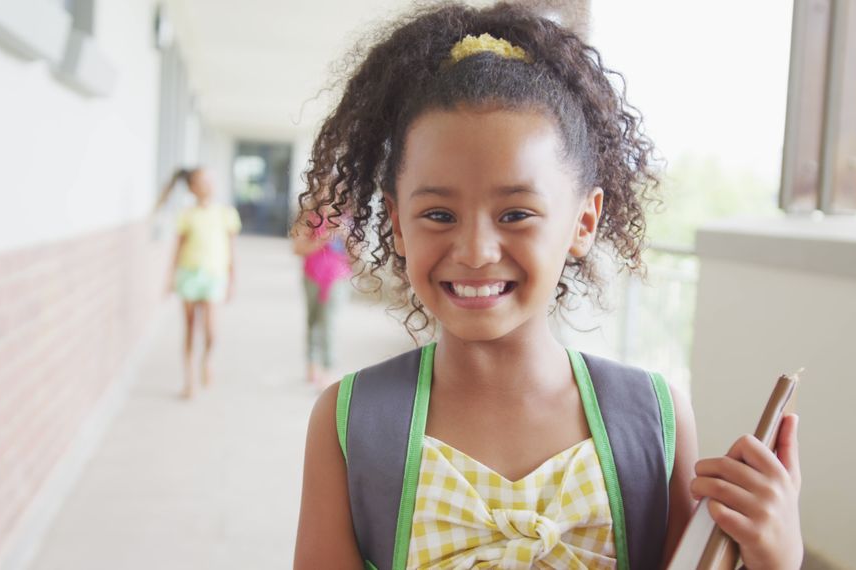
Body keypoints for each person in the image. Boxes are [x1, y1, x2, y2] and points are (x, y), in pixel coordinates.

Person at [293, 4, 803, 569]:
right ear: (397, 223)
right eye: (438, 214)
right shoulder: (350, 420)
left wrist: (774, 555)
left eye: (515, 214)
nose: (475, 251)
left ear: (583, 222)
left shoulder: (653, 418)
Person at [165, 167, 241, 399]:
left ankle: (206, 361)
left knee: (210, 332)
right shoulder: (186, 214)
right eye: (201, 181)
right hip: (188, 275)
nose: (207, 185)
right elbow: (177, 249)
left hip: (213, 277)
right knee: (189, 329)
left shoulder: (225, 213)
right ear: (192, 188)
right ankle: (189, 381)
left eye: (210, 180)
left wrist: (231, 281)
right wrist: (169, 278)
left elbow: (231, 250)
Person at [291, 212, 353, 388]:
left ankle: (328, 369)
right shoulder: (308, 218)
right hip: (311, 276)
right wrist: (322, 240)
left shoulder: (347, 220)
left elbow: (356, 254)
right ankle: (311, 363)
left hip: (337, 279)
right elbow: (297, 249)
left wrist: (345, 236)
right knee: (313, 320)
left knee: (329, 322)